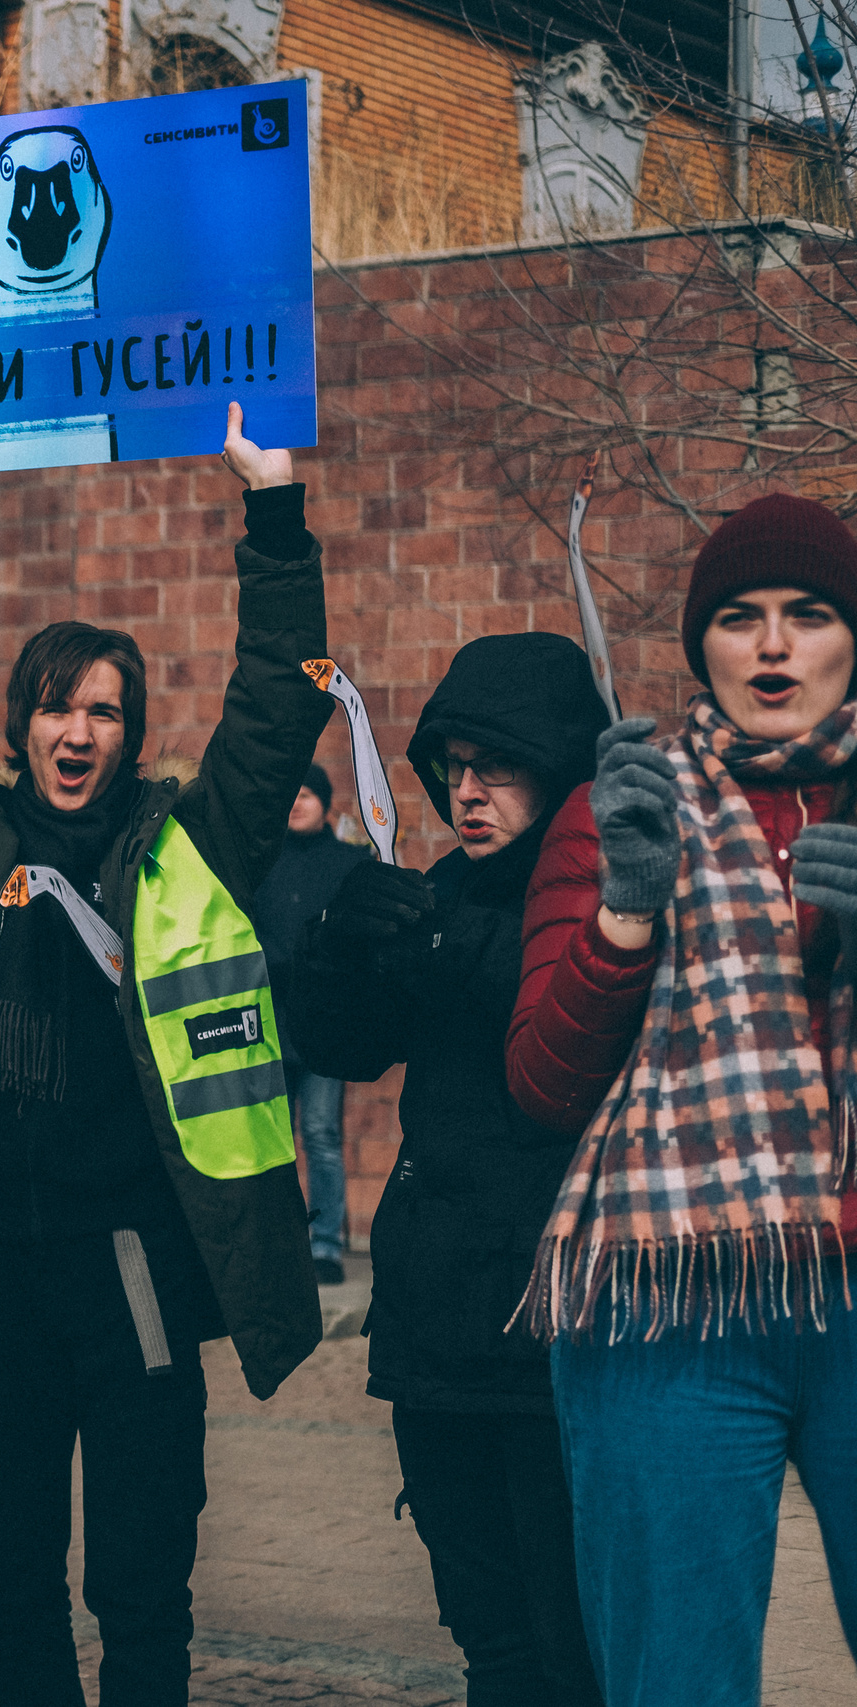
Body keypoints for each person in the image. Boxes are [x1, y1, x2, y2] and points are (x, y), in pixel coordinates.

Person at [0, 407, 328, 1705]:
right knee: (15, 1573)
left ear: (131, 730)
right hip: (3, 1280)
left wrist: (273, 511)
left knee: (145, 1576)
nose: (77, 730)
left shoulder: (188, 842)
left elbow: (278, 697)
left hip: (137, 1269)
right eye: (55, 705)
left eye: (103, 709)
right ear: (21, 719)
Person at [508, 494, 857, 1704]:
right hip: (673, 1308)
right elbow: (544, 1083)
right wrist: (627, 905)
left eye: (807, 617)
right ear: (700, 646)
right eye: (740, 619)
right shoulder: (625, 804)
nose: (771, 647)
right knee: (677, 1682)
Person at [277, 633, 609, 1705]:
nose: (466, 793)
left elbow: (542, 996)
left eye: (495, 767)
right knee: (490, 1640)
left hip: (558, 1334)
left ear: (558, 769)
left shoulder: (609, 909)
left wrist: (428, 948)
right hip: (437, 1331)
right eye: (452, 767)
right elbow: (344, 1044)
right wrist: (336, 945)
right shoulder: (436, 897)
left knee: (575, 1643)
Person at [251, 764, 368, 1284]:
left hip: (324, 1027)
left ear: (325, 802)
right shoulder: (260, 862)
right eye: (289, 793)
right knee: (271, 1141)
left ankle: (324, 1245)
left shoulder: (350, 863)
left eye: (307, 793)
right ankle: (279, 1245)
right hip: (267, 1026)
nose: (296, 802)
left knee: (320, 1134)